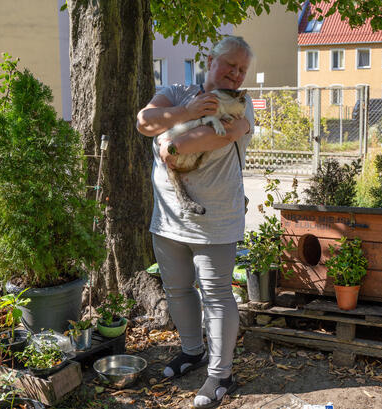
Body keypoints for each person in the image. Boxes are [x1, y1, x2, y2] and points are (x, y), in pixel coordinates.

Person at [136, 36, 253, 409]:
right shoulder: (176, 91)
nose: (235, 74)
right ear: (210, 60)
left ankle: (221, 374)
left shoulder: (239, 102)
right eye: (229, 66)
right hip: (169, 218)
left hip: (215, 220)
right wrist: (185, 112)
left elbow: (222, 135)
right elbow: (144, 121)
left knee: (217, 295)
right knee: (178, 289)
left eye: (241, 70)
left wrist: (170, 146)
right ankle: (192, 351)